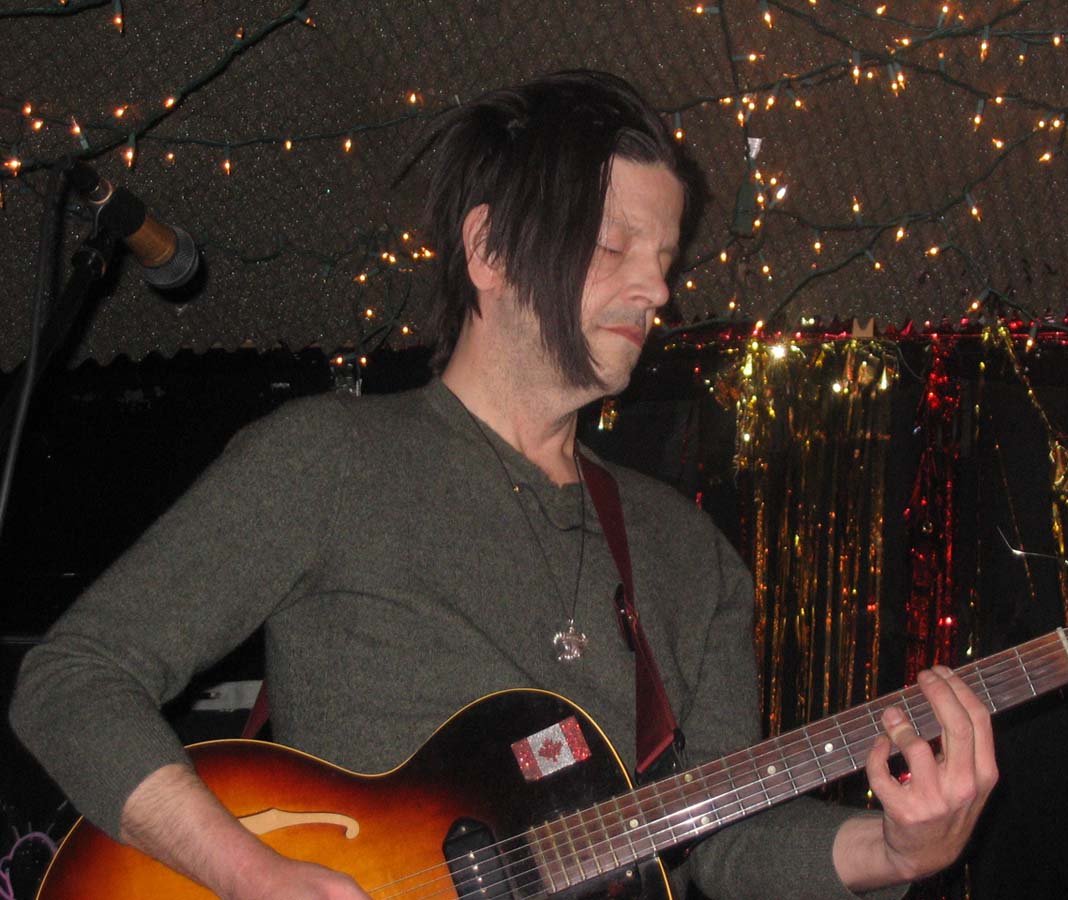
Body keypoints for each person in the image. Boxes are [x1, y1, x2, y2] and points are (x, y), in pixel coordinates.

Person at [9, 70, 996, 900]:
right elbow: (71, 683)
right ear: (487, 249)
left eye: (665, 261)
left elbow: (721, 843)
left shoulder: (692, 558)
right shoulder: (326, 459)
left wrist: (898, 848)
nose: (658, 290)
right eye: (616, 246)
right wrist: (247, 873)